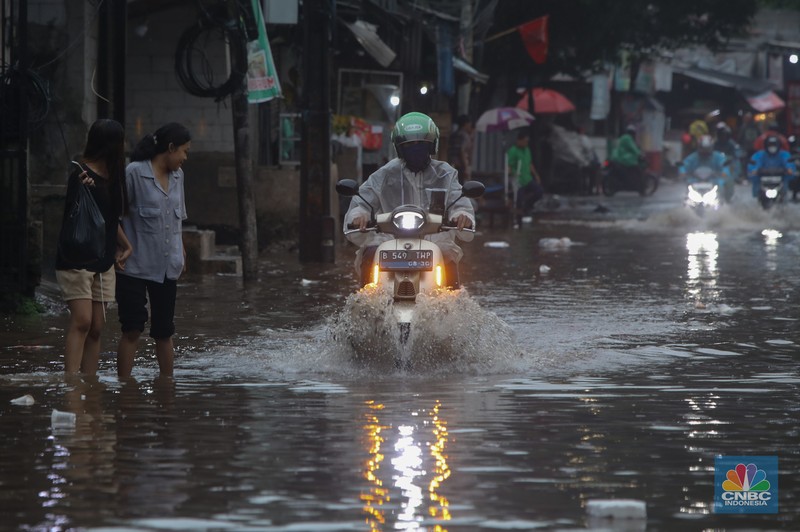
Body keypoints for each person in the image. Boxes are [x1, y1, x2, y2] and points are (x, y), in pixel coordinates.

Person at [343, 111, 474, 288]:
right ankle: (366, 307)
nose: (416, 147)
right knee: (370, 254)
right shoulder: (384, 175)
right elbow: (363, 201)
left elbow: (459, 202)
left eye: (421, 143)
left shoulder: (446, 174)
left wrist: (461, 215)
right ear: (400, 147)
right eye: (410, 144)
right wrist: (360, 215)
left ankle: (451, 307)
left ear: (431, 145)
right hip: (388, 239)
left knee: (447, 258)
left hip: (434, 239)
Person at [56, 118, 132, 375]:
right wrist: (81, 189)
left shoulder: (115, 176)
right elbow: (74, 216)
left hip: (104, 261)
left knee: (97, 326)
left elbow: (109, 220)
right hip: (77, 260)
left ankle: (90, 382)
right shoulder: (81, 175)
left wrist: (125, 245)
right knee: (82, 321)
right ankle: (71, 381)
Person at [116, 123, 191, 379]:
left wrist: (181, 252)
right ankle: (124, 386)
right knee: (132, 328)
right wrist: (123, 247)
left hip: (167, 267)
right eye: (183, 151)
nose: (185, 158)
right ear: (170, 148)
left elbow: (177, 219)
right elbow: (114, 216)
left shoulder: (178, 176)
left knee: (164, 331)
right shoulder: (134, 173)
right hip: (134, 266)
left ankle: (167, 387)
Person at [506, 130, 544, 227]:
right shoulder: (513, 151)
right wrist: (509, 175)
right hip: (518, 180)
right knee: (518, 199)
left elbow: (530, 163)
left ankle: (527, 206)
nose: (526, 143)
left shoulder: (527, 149)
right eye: (525, 141)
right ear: (519, 140)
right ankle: (519, 220)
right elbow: (509, 165)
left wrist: (536, 175)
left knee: (539, 192)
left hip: (527, 178)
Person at [680, 134, 732, 201]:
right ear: (699, 147)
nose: (705, 150)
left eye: (707, 148)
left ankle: (726, 202)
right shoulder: (692, 157)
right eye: (703, 148)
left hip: (714, 180)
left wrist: (724, 172)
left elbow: (724, 164)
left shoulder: (718, 157)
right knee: (687, 191)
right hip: (695, 180)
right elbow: (684, 165)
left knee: (727, 184)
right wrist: (682, 172)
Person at [447, 114, 474, 184]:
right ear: (465, 124)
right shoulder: (464, 136)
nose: (470, 126)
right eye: (469, 123)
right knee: (461, 187)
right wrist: (466, 168)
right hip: (460, 166)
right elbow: (462, 151)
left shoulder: (453, 135)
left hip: (450, 165)